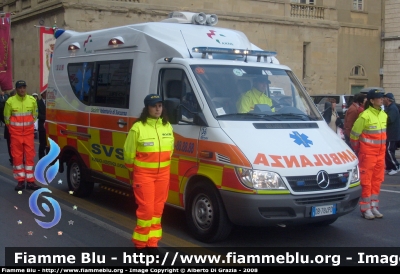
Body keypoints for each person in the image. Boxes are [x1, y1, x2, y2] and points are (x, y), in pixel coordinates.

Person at [123, 94, 174, 254]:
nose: (158, 108)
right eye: (154, 106)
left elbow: (170, 150)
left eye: (160, 105)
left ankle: (152, 245)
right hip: (144, 175)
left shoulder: (167, 126)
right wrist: (137, 170)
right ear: (147, 108)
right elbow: (128, 153)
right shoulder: (138, 127)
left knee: (157, 211)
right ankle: (140, 245)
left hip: (163, 175)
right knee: (146, 210)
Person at [350, 89, 387, 220]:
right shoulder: (365, 116)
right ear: (372, 101)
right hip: (368, 154)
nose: (382, 99)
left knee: (377, 180)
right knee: (367, 181)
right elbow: (354, 134)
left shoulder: (383, 115)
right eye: (379, 98)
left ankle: (374, 206)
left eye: (382, 97)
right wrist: (357, 149)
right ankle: (366, 208)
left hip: (380, 154)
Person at [4, 81, 41, 191]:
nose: (22, 90)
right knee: (17, 158)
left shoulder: (32, 100)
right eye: (20, 88)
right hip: (16, 135)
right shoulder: (10, 101)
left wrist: (28, 128)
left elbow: (35, 115)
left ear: (25, 88)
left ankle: (30, 181)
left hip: (28, 134)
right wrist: (14, 130)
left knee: (30, 157)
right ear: (16, 89)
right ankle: (20, 181)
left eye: (24, 87)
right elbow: (6, 118)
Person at [382, 93, 400, 175]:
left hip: (391, 134)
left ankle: (395, 166)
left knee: (389, 151)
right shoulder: (389, 108)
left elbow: (389, 120)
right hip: (389, 134)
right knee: (387, 151)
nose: (382, 100)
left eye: (384, 98)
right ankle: (389, 167)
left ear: (388, 99)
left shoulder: (392, 108)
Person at [3, 89, 14, 165]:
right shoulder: (7, 103)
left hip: (18, 129)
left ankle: (18, 158)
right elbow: (4, 115)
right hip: (9, 128)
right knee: (10, 144)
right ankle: (12, 158)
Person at [37, 90, 48, 159]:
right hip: (42, 125)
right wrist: (46, 118)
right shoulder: (38, 103)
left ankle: (48, 157)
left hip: (49, 126)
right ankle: (41, 156)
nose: (46, 94)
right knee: (42, 143)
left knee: (48, 143)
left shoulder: (50, 102)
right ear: (42, 94)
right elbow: (37, 114)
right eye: (45, 93)